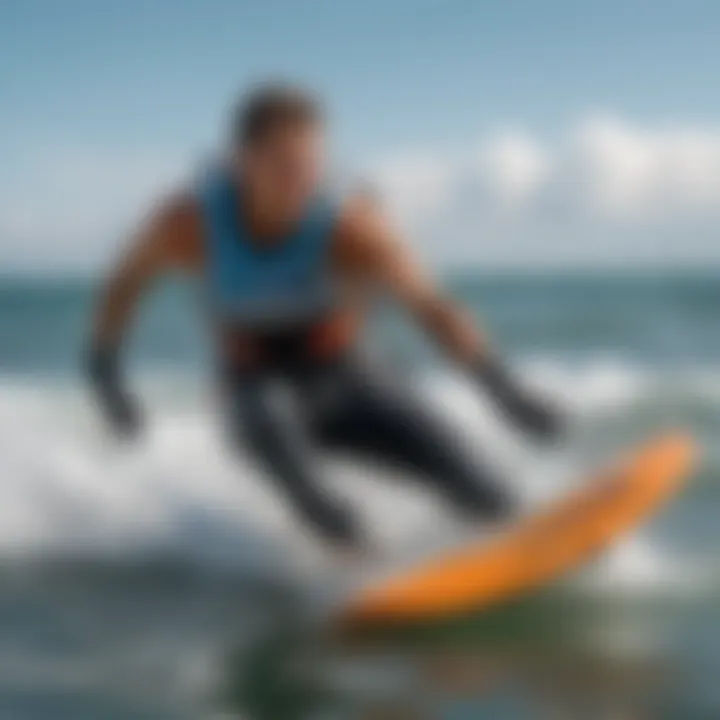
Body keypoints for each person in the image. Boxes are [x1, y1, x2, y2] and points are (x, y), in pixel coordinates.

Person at [87, 83, 561, 553]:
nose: (303, 180)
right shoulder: (187, 223)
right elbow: (124, 284)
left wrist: (504, 390)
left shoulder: (351, 225)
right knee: (294, 458)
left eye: (311, 164)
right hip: (253, 389)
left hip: (350, 379)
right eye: (284, 166)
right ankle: (353, 565)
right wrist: (106, 374)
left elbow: (432, 307)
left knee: (487, 494)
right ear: (241, 161)